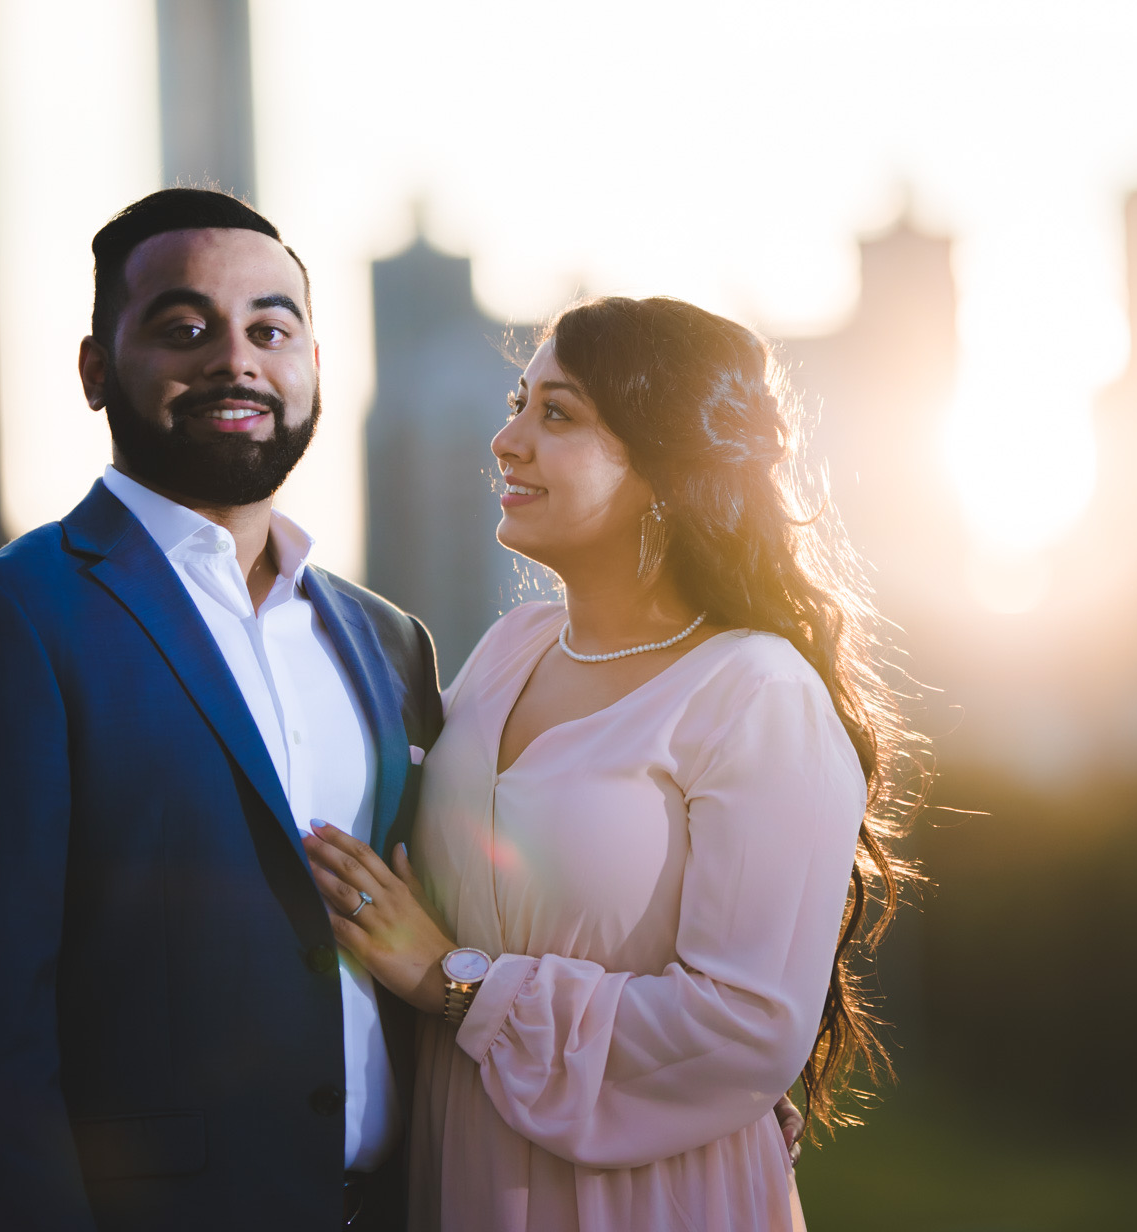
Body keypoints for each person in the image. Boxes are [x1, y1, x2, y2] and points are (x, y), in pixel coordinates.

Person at [0, 188, 441, 1231]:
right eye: (184, 327)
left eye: (271, 327)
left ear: (312, 362)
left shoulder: (389, 639)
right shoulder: (2, 619)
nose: (236, 359)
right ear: (96, 369)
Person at [303, 296, 920, 1230]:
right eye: (519, 402)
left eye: (559, 414)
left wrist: (453, 982)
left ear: (666, 467)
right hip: (459, 1173)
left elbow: (747, 1026)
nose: (507, 440)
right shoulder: (508, 650)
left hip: (647, 1197)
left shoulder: (757, 693)